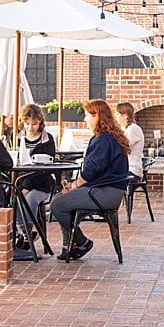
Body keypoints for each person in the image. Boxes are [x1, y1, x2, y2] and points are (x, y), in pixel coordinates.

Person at [51, 99, 130, 261]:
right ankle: (71, 245)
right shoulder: (108, 136)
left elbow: (91, 170)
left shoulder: (103, 139)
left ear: (98, 116)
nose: (85, 119)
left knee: (57, 205)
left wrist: (73, 185)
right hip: (110, 191)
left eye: (87, 115)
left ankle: (81, 242)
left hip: (105, 193)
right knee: (61, 199)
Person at [13, 104, 57, 247]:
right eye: (27, 124)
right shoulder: (16, 138)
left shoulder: (47, 139)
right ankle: (22, 231)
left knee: (30, 198)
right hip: (19, 181)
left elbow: (45, 169)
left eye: (34, 124)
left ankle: (27, 231)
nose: (30, 127)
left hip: (42, 183)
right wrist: (22, 185)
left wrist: (26, 186)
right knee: (13, 197)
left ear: (40, 123)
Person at [115, 103, 144, 181]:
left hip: (132, 171)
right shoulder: (125, 129)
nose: (115, 117)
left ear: (125, 116)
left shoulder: (133, 129)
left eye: (117, 114)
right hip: (125, 169)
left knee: (105, 179)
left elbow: (123, 149)